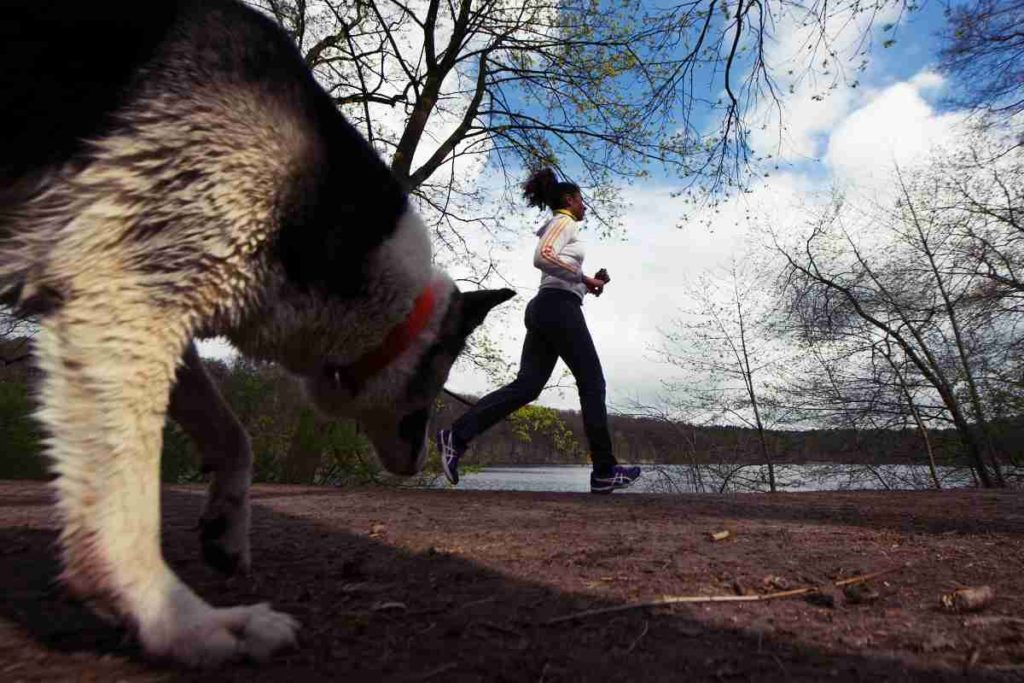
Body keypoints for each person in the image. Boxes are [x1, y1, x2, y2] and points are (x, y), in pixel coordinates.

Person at [434, 168, 641, 494]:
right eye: (581, 200)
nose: (584, 206)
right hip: (557, 309)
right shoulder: (564, 222)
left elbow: (559, 274)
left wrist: (589, 285)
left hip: (549, 306)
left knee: (528, 386)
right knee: (592, 382)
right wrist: (584, 278)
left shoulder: (561, 227)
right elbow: (542, 256)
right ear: (570, 200)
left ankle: (456, 436)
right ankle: (604, 470)